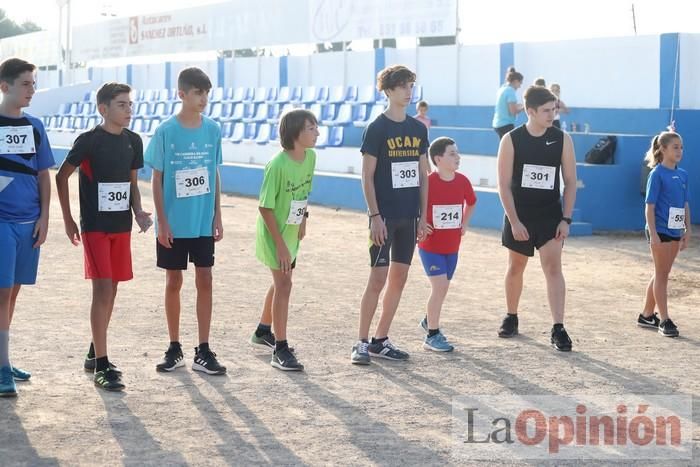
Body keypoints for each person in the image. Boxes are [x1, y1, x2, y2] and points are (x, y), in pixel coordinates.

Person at [55, 82, 152, 391]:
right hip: (95, 226)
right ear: (103, 108)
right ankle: (102, 365)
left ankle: (95, 351)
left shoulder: (134, 142)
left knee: (113, 288)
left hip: (122, 226)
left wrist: (138, 212)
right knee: (102, 290)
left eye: (130, 104)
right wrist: (69, 219)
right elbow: (61, 176)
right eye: (122, 104)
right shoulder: (88, 142)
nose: (128, 110)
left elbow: (132, 183)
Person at [145, 67, 226, 375]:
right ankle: (174, 346)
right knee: (173, 280)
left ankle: (203, 349)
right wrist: (161, 222)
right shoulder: (166, 130)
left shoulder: (213, 130)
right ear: (182, 94)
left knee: (205, 278)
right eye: (197, 92)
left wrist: (217, 213)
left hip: (202, 221)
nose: (203, 98)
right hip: (174, 224)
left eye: (206, 93)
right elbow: (156, 178)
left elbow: (214, 172)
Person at [351, 64, 430, 365]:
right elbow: (367, 176)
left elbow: (424, 175)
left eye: (411, 85)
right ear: (388, 91)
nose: (408, 92)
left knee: (399, 278)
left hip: (409, 217)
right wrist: (374, 216)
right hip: (384, 217)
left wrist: (423, 216)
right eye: (402, 86)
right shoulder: (377, 128)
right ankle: (360, 341)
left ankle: (380, 340)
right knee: (377, 279)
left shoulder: (418, 129)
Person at [496, 85, 577, 352]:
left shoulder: (563, 139)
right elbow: (503, 185)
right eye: (546, 110)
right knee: (516, 266)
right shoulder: (511, 139)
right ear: (529, 111)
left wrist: (566, 219)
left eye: (554, 109)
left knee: (553, 268)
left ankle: (558, 327)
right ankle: (511, 315)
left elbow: (570, 183)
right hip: (520, 214)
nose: (552, 114)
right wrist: (514, 221)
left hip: (550, 215)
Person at [0, 58, 54, 397]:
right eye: (25, 84)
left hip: (29, 223)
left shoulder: (35, 126)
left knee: (13, 292)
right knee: (2, 293)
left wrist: (45, 216)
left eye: (34, 83)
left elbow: (43, 173)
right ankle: (2, 366)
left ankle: (3, 358)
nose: (32, 90)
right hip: (1, 223)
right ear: (5, 87)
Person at [251, 109, 318, 371]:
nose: (317, 133)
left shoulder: (311, 157)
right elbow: (265, 207)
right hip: (273, 233)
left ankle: (262, 331)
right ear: (295, 132)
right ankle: (280, 348)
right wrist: (279, 244)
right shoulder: (277, 165)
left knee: (281, 281)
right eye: (311, 128)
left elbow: (305, 190)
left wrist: (303, 218)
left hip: (292, 230)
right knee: (285, 284)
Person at [417, 137, 476, 352]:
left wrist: (464, 223)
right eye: (452, 153)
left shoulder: (463, 181)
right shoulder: (428, 183)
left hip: (452, 247)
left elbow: (471, 202)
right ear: (438, 159)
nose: (457, 157)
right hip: (430, 246)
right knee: (439, 287)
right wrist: (420, 223)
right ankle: (432, 335)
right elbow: (414, 206)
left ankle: (428, 320)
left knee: (442, 290)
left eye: (457, 153)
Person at [638, 131, 690, 337]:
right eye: (675, 147)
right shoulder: (657, 174)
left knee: (662, 272)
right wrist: (654, 233)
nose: (679, 151)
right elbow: (649, 206)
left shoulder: (683, 175)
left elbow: (685, 203)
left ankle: (647, 314)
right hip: (659, 230)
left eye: (681, 147)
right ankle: (665, 320)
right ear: (663, 149)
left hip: (675, 230)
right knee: (662, 274)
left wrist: (688, 229)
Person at [492, 66, 524, 140]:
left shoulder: (502, 88)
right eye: (520, 83)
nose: (520, 86)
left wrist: (520, 106)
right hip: (505, 124)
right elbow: (513, 111)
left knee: (505, 146)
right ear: (516, 81)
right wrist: (523, 108)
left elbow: (508, 106)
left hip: (498, 124)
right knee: (512, 147)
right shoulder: (510, 91)